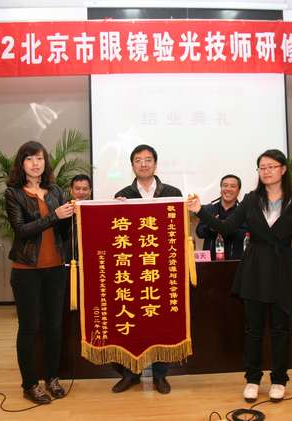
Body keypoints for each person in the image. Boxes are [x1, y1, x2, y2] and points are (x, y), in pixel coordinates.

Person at [187, 149, 292, 403]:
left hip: (283, 269)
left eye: (271, 166)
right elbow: (227, 227)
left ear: (283, 169)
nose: (266, 171)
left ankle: (279, 379)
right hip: (254, 268)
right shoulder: (250, 199)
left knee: (281, 329)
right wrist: (200, 210)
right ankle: (253, 379)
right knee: (253, 329)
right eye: (262, 167)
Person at [5, 141, 74, 405]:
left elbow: (63, 232)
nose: (36, 164)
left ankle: (52, 378)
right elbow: (22, 230)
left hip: (56, 268)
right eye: (30, 158)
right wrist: (55, 215)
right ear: (21, 163)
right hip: (27, 270)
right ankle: (30, 384)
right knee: (29, 328)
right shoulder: (13, 193)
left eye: (40, 158)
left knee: (54, 327)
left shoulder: (56, 191)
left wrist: (73, 215)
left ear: (46, 162)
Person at [112, 144, 182, 395]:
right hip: (132, 272)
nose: (143, 164)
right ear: (132, 165)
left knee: (161, 321)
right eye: (138, 160)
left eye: (148, 159)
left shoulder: (172, 193)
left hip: (161, 268)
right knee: (133, 321)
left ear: (155, 164)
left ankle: (160, 375)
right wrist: (115, 210)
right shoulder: (122, 195)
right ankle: (130, 374)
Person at [196, 174, 247, 260]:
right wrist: (211, 228)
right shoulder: (208, 209)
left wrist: (223, 227)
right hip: (211, 262)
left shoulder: (244, 211)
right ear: (221, 189)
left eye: (233, 186)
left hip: (235, 261)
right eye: (225, 185)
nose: (228, 189)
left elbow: (246, 234)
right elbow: (199, 233)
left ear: (238, 191)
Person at [67, 174, 92, 261]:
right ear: (71, 190)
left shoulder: (95, 211)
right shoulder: (63, 210)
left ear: (90, 191)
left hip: (90, 256)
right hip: (69, 259)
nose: (81, 192)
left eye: (85, 189)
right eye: (77, 189)